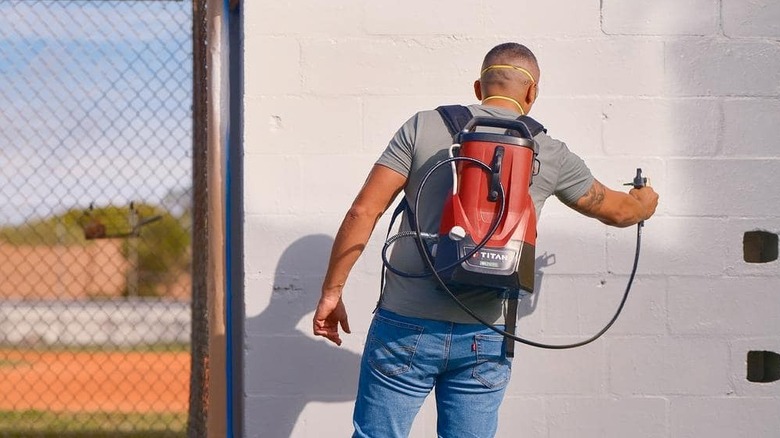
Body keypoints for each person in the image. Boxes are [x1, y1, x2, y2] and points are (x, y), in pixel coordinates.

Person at [313, 42, 659, 438]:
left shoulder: (423, 126)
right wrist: (643, 203)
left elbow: (363, 211)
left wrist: (331, 292)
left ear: (479, 88)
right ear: (532, 94)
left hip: (405, 324)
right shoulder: (549, 152)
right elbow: (617, 211)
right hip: (485, 334)